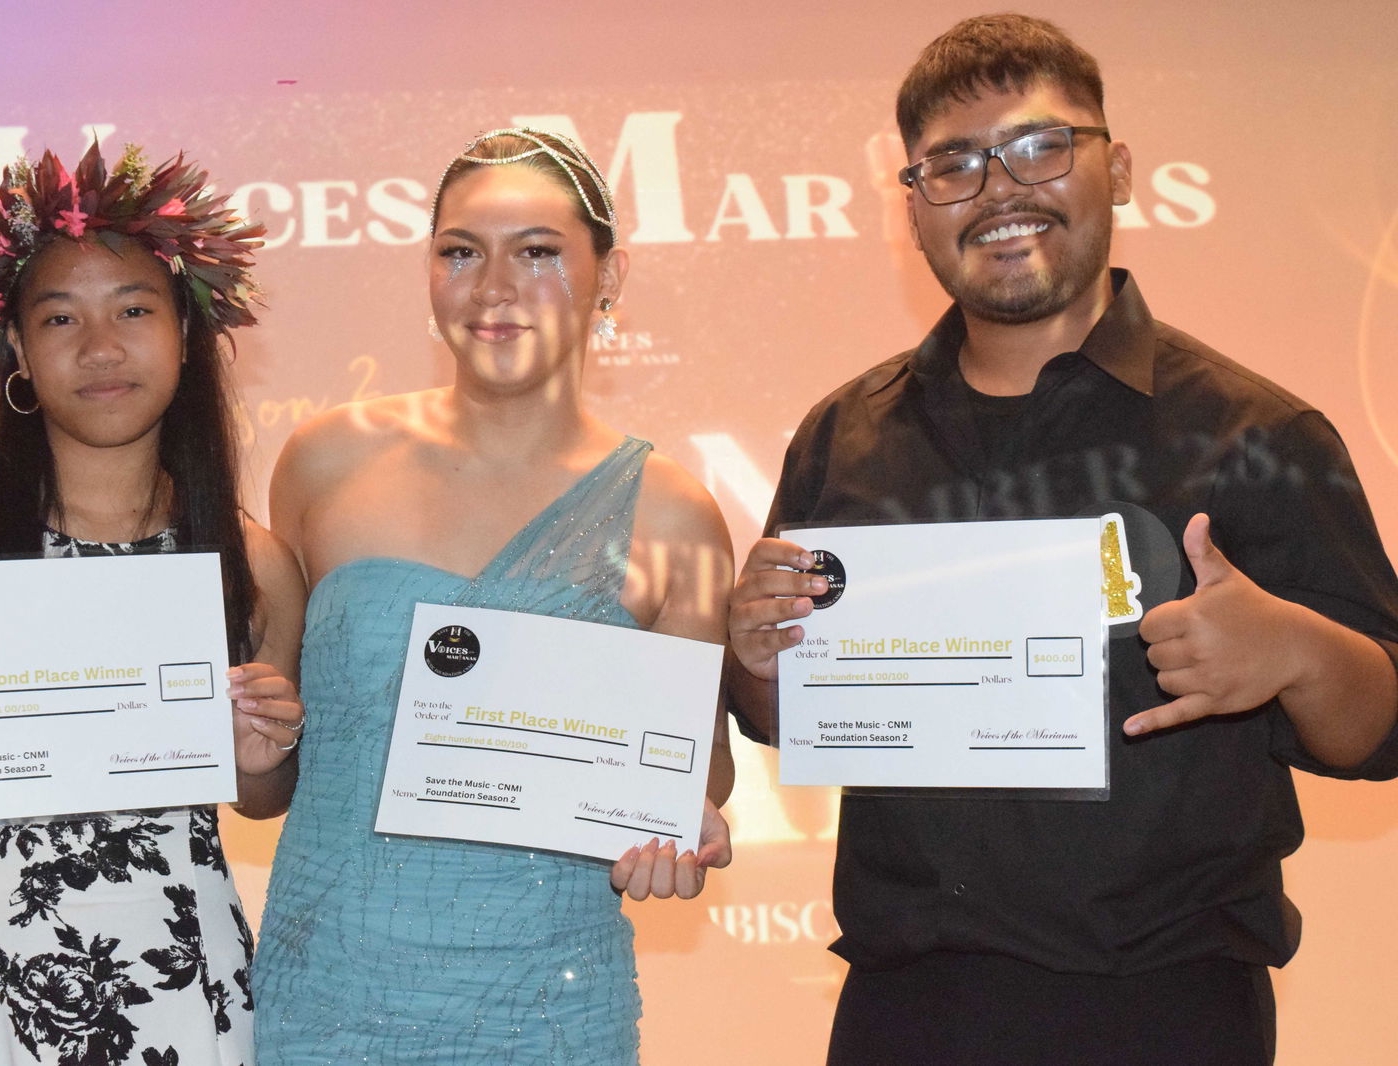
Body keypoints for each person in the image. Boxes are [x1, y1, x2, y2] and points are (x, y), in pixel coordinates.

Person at [726, 14, 1398, 1066]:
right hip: (906, 1006)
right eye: (952, 164)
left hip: (1167, 1009)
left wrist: (1294, 649)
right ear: (912, 206)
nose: (997, 189)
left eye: (1039, 146)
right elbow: (780, 716)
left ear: (1116, 167)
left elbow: (1381, 724)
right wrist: (758, 659)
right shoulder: (843, 435)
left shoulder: (1258, 435)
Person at [0, 143, 307, 1066]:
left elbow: (264, 800)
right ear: (17, 351)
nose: (101, 348)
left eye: (135, 311)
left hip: (175, 974)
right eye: (61, 317)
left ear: (186, 337)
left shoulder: (254, 562)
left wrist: (266, 752)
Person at [251, 127, 734, 1064]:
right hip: (325, 994)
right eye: (461, 252)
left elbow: (697, 766)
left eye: (539, 253)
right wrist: (243, 743)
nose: (495, 287)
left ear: (611, 277)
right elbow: (276, 762)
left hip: (548, 1010)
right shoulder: (324, 464)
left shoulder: (674, 514)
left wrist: (682, 827)